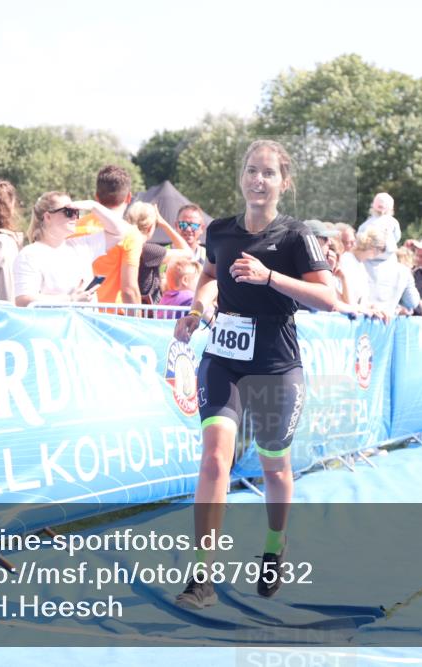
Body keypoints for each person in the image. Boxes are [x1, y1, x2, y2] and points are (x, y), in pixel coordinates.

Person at [172, 139, 336, 609]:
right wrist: (200, 309)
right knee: (213, 459)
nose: (257, 180)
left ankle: (273, 544)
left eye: (268, 173)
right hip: (222, 357)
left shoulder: (295, 236)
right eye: (250, 171)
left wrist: (269, 277)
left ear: (284, 182)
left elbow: (327, 298)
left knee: (275, 468)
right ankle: (201, 576)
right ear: (241, 177)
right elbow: (208, 275)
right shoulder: (220, 231)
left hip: (274, 365)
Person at [13, 192, 118, 306]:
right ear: (48, 217)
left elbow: (119, 232)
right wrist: (71, 300)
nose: (75, 217)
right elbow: (23, 300)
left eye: (76, 212)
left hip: (85, 323)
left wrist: (93, 206)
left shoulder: (81, 245)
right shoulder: (29, 255)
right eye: (68, 212)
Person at [83, 165, 141, 304]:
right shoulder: (130, 234)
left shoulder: (73, 227)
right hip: (112, 318)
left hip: (78, 314)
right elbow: (129, 290)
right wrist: (137, 323)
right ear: (128, 197)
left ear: (96, 198)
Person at [129, 202, 192, 305]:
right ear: (150, 227)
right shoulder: (148, 251)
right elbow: (188, 253)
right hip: (145, 314)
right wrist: (163, 223)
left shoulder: (125, 244)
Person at [356, 227, 422, 316]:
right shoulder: (404, 271)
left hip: (357, 321)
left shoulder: (357, 262)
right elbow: (413, 302)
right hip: (386, 324)